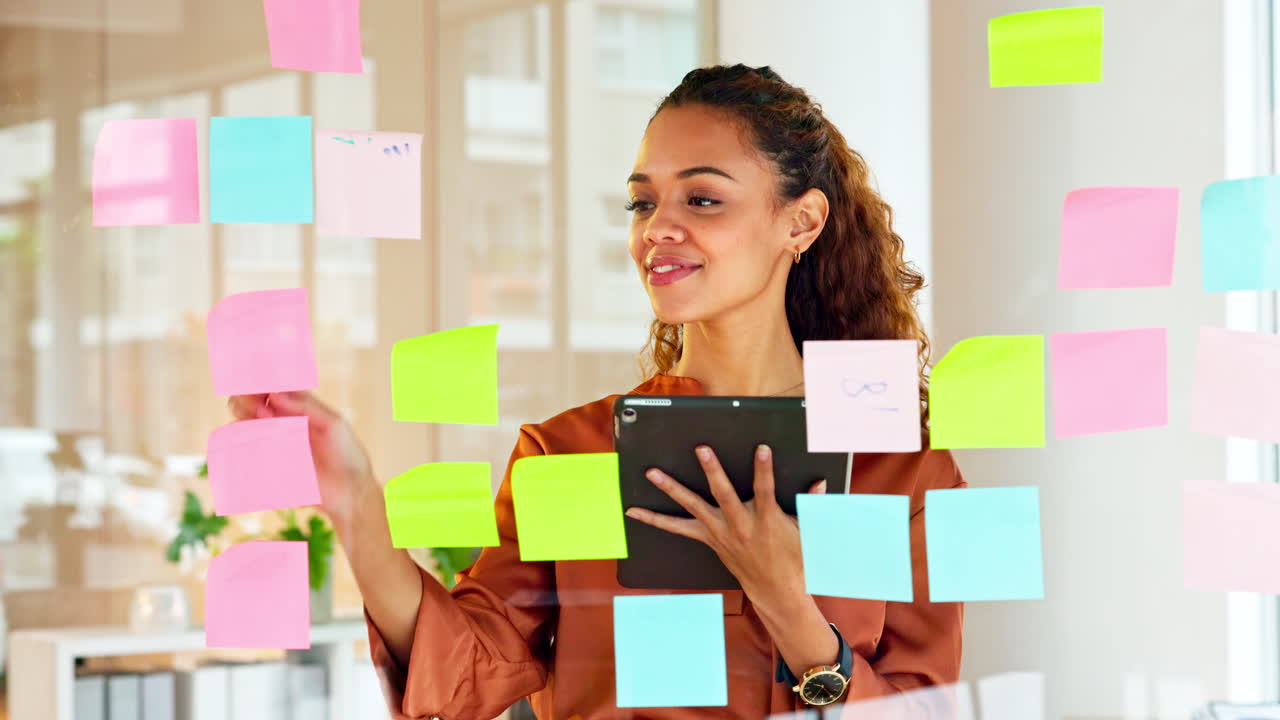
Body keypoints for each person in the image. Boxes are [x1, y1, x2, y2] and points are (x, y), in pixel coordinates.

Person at [227, 63, 964, 719]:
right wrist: (357, 508)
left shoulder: (900, 469)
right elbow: (467, 680)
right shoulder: (568, 455)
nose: (658, 230)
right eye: (642, 204)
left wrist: (791, 610)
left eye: (702, 200)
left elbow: (923, 707)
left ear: (800, 222)